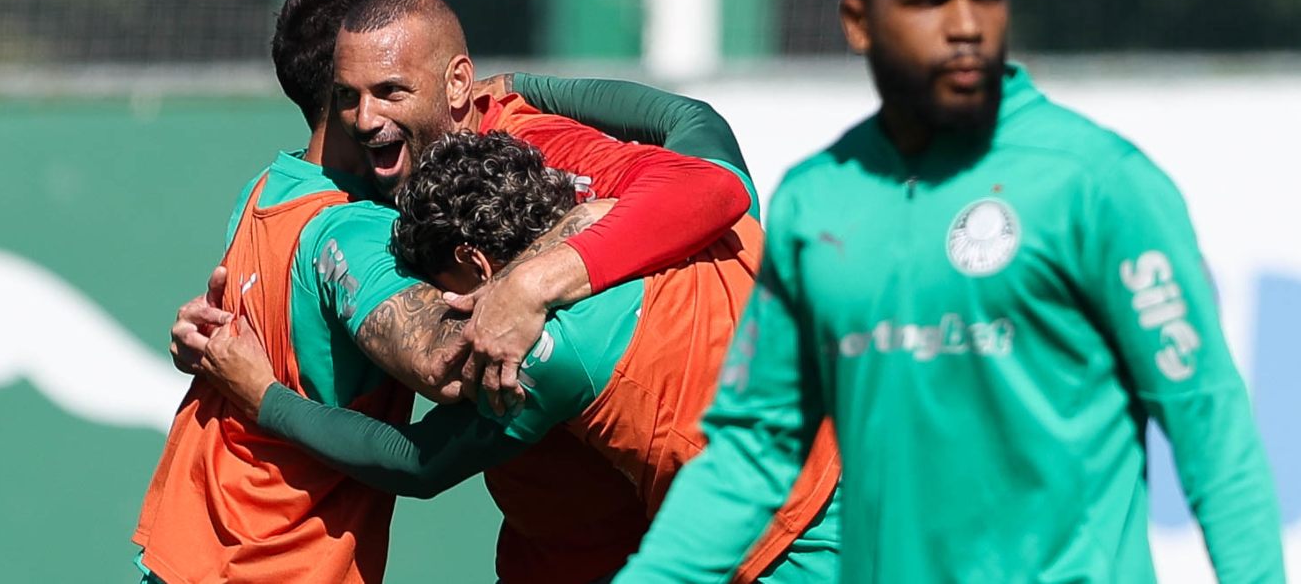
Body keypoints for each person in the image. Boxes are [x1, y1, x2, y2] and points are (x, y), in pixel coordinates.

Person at [614, 0, 1285, 583]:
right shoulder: (819, 201)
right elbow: (754, 451)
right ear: (858, 21)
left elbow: (1211, 428)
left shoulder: (1094, 182)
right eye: (930, 1)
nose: (966, 25)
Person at [144, 0, 755, 584]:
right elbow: (445, 375)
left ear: (451, 79)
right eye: (355, 91)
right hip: (272, 563)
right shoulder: (357, 222)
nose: (369, 116)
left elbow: (714, 171)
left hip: (674, 536)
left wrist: (542, 276)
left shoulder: (274, 190)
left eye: (392, 87)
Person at [197, 129, 842, 583]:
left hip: (797, 546)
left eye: (439, 289)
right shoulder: (690, 216)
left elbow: (414, 463)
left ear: (475, 265)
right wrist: (531, 89)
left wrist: (265, 396)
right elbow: (701, 128)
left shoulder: (547, 357)